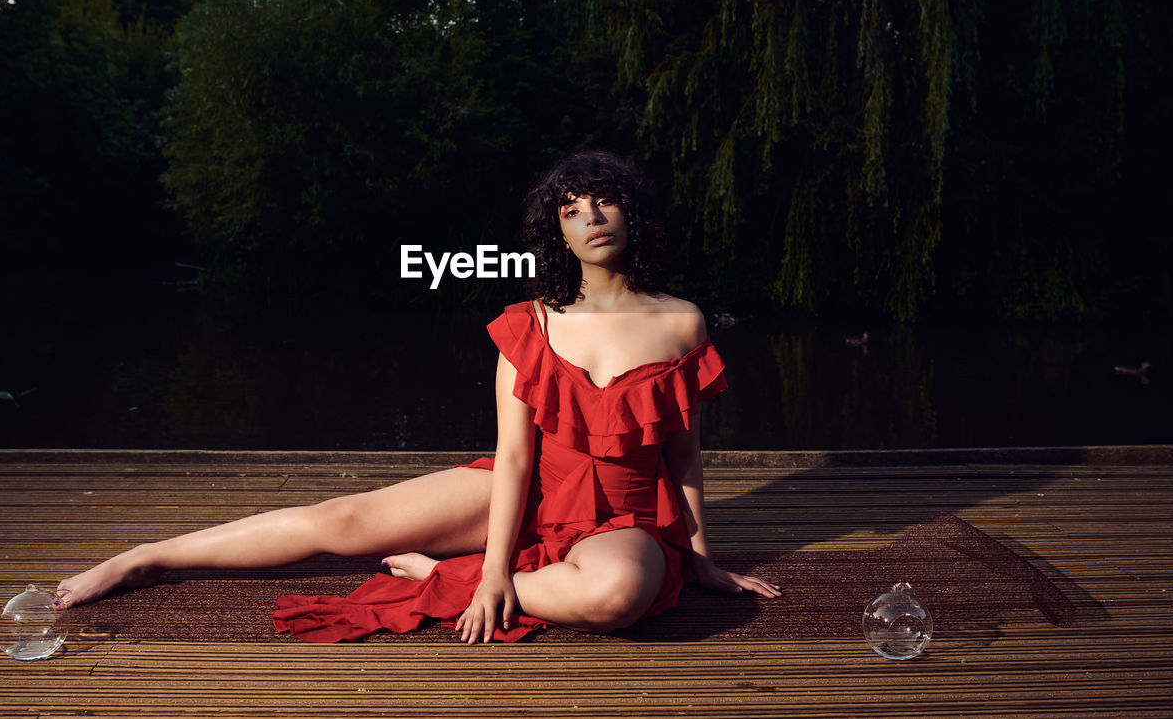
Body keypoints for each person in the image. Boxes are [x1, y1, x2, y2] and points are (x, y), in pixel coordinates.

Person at [57, 150, 781, 643]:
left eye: (604, 202)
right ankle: (145, 557)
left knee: (616, 599)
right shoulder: (529, 324)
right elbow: (515, 461)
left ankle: (444, 575)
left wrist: (699, 558)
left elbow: (684, 457)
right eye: (571, 211)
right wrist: (498, 565)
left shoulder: (680, 321)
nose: (590, 218)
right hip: (526, 488)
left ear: (632, 215)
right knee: (341, 519)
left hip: (619, 517)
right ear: (556, 232)